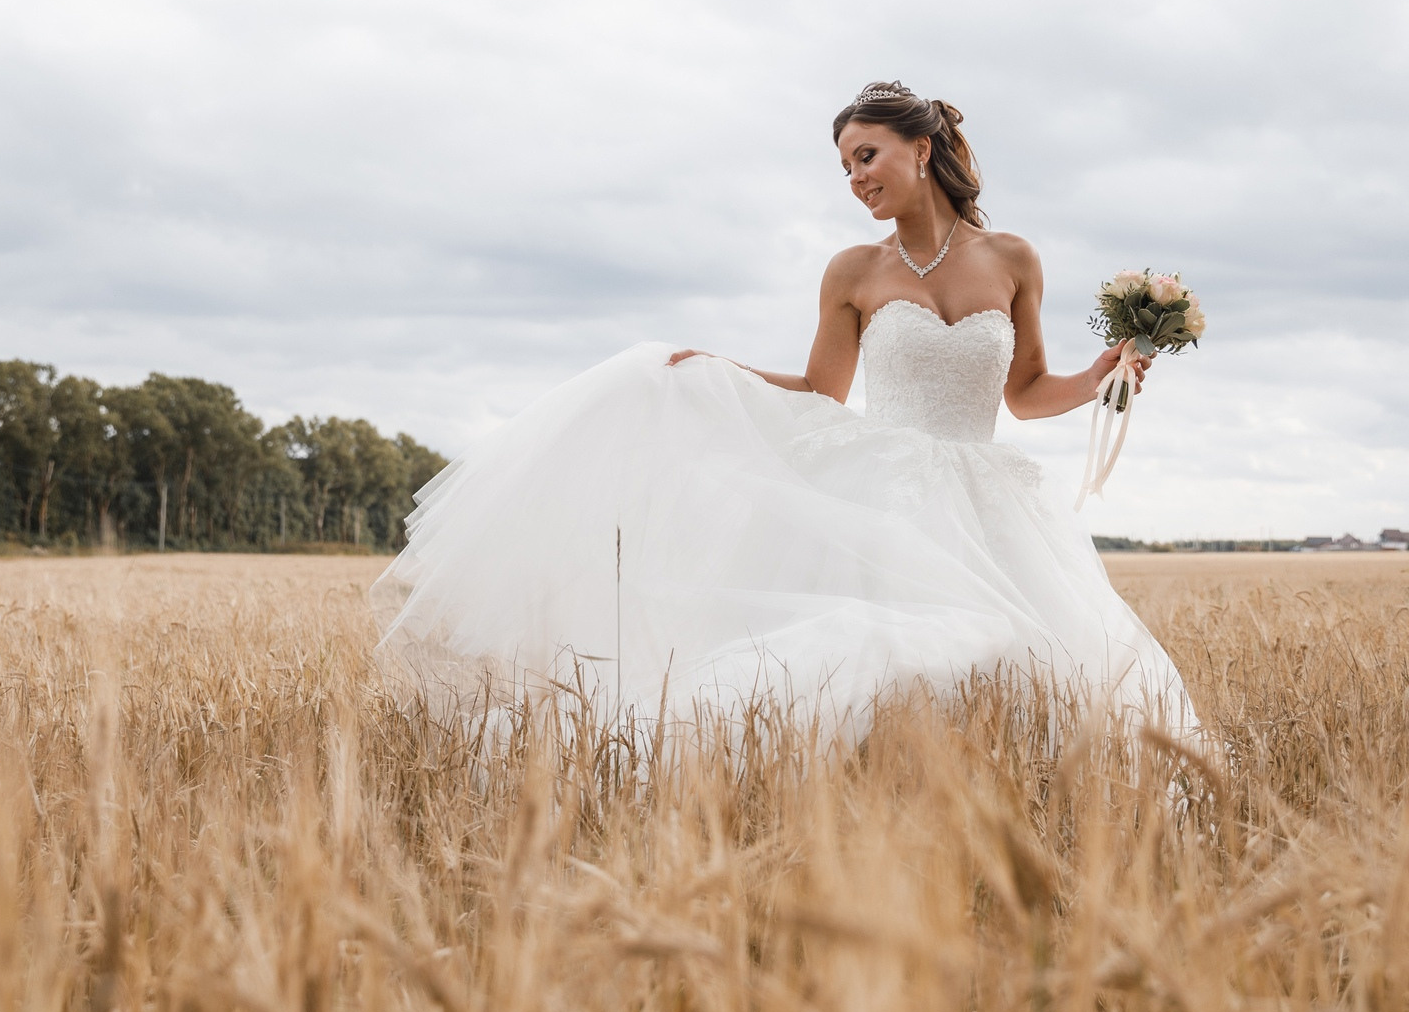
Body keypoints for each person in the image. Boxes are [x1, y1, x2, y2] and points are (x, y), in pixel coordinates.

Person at [370, 81, 1197, 733]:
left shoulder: (1014, 258)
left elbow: (1022, 391)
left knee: (1040, 669)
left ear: (923, 147)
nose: (856, 177)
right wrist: (718, 371)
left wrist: (1100, 376)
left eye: (866, 155)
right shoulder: (853, 272)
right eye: (844, 167)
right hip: (887, 493)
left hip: (993, 498)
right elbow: (821, 392)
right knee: (888, 661)